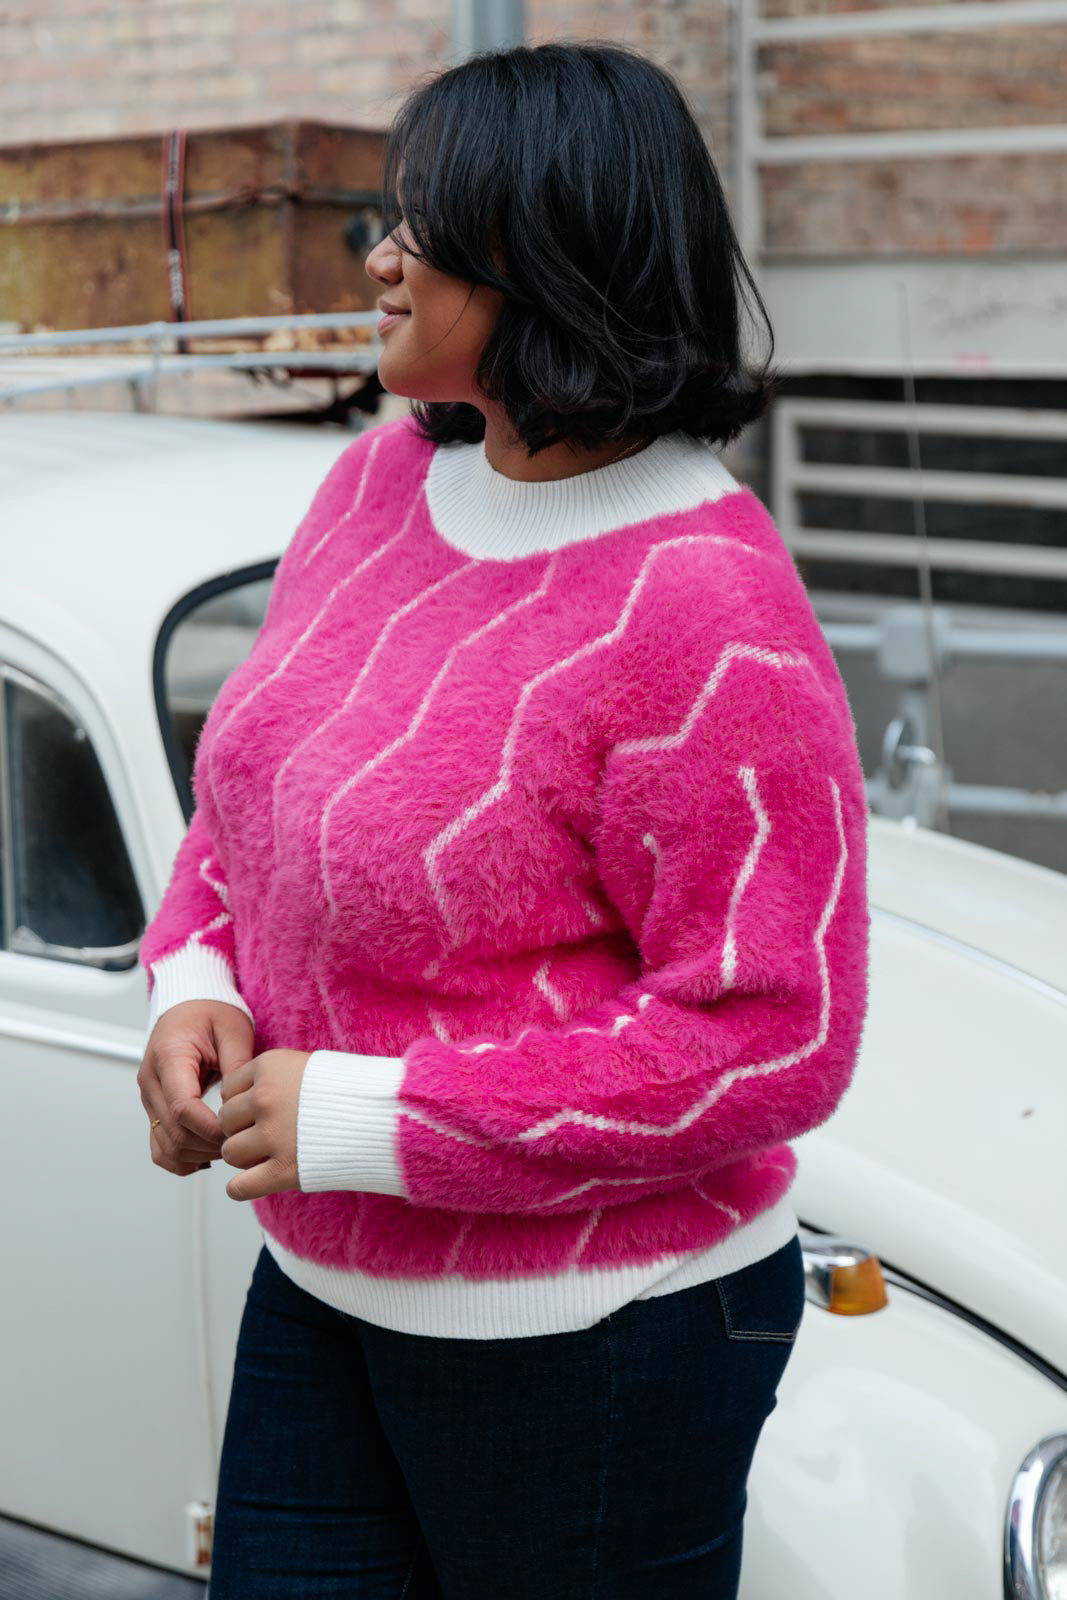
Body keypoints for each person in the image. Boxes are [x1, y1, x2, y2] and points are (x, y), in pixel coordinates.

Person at [137, 40, 871, 1600]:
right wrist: (195, 981)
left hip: (598, 1345)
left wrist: (383, 1123)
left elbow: (769, 1035)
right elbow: (248, 802)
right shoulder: (375, 489)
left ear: (546, 254)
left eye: (419, 223)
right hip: (321, 1283)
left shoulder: (710, 610)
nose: (379, 257)